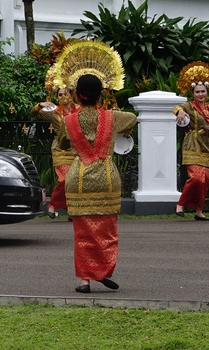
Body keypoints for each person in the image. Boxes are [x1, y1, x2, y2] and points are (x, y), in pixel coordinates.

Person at [59, 73, 136, 293]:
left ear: (77, 95)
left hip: (79, 179)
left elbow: (63, 143)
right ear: (100, 95)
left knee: (82, 233)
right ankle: (102, 271)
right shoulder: (113, 117)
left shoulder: (69, 120)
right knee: (106, 232)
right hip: (106, 178)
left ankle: (85, 280)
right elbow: (131, 118)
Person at [173, 62, 209, 221]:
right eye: (197, 92)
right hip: (192, 144)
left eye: (203, 91)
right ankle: (180, 204)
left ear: (207, 92)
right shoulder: (189, 106)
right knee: (196, 178)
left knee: (205, 181)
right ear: (193, 93)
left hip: (206, 145)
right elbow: (176, 107)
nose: (200, 94)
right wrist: (179, 111)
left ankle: (199, 211)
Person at [32, 65, 75, 219]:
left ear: (71, 95)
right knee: (64, 179)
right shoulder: (53, 111)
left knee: (73, 181)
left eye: (65, 94)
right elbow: (34, 113)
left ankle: (69, 210)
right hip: (59, 149)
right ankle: (52, 205)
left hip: (75, 149)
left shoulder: (77, 109)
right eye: (59, 94)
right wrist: (40, 105)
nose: (62, 97)